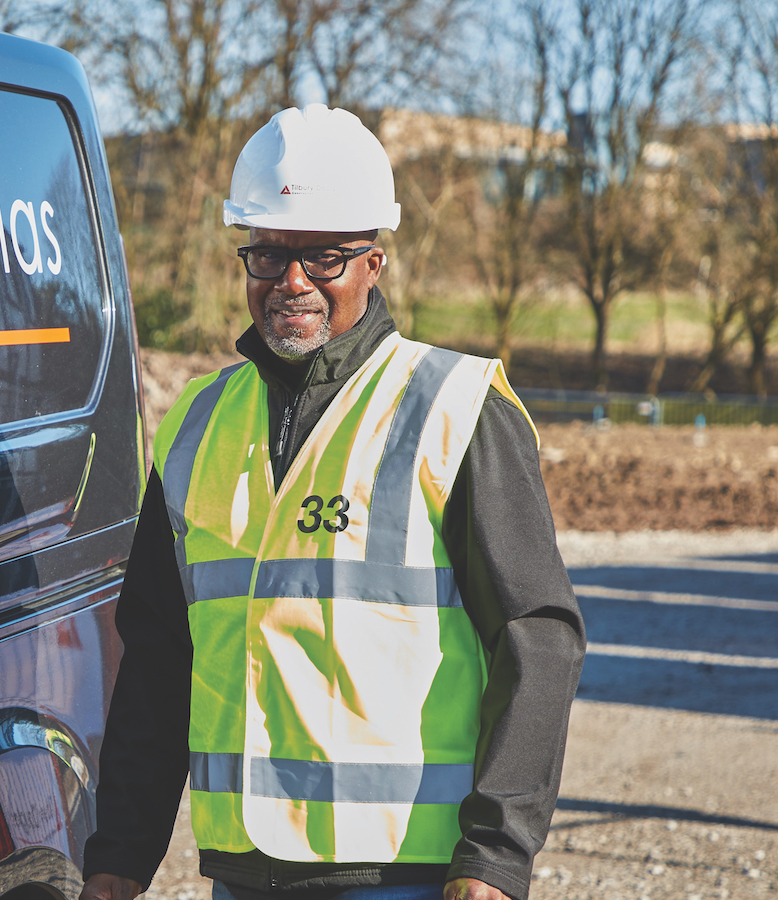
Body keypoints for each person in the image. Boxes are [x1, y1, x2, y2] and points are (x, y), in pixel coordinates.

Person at [80, 105, 585, 900]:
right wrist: (117, 857)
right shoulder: (194, 424)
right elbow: (157, 661)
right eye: (268, 256)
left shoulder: (455, 408)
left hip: (405, 873)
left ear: (374, 263)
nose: (291, 283)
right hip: (243, 872)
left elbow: (538, 640)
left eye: (324, 259)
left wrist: (495, 855)